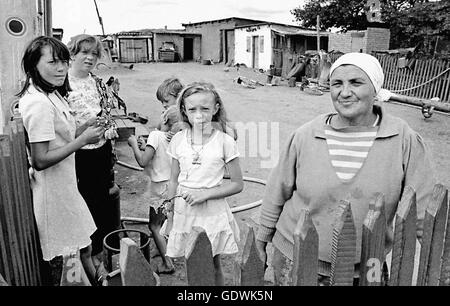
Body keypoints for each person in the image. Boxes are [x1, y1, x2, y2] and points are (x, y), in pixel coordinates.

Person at [256, 52, 436, 286]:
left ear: (375, 89)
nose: (344, 92)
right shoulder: (306, 135)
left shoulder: (403, 140)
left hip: (369, 264)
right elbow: (276, 190)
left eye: (356, 82)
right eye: (337, 84)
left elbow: (424, 208)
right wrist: (262, 238)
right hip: (296, 256)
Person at [17, 36, 106, 285]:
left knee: (84, 248)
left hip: (67, 189)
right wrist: (83, 140)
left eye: (64, 62)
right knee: (68, 266)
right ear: (33, 65)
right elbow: (40, 160)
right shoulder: (38, 103)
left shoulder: (52, 95)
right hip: (53, 196)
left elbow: (59, 139)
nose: (61, 68)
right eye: (53, 62)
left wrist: (83, 129)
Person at [165, 82, 243, 285]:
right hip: (185, 209)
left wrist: (205, 194)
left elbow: (237, 184)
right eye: (192, 109)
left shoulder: (225, 142)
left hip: (211, 209)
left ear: (216, 108)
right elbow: (173, 178)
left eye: (205, 108)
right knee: (190, 260)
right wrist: (169, 204)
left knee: (213, 261)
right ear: (183, 110)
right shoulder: (178, 140)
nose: (199, 115)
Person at [66, 34, 119, 270]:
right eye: (84, 52)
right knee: (80, 202)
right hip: (76, 153)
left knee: (102, 201)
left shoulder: (97, 82)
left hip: (100, 150)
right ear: (72, 54)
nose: (89, 57)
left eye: (94, 54)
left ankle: (99, 252)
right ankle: (82, 254)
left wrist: (108, 131)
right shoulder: (61, 83)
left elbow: (106, 111)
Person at [127, 106, 181, 274]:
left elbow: (143, 161)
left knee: (154, 226)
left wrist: (134, 145)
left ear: (164, 120)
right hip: (173, 186)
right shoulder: (177, 139)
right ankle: (169, 251)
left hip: (159, 189)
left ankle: (168, 263)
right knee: (166, 223)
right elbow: (158, 154)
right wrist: (145, 146)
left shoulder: (156, 135)